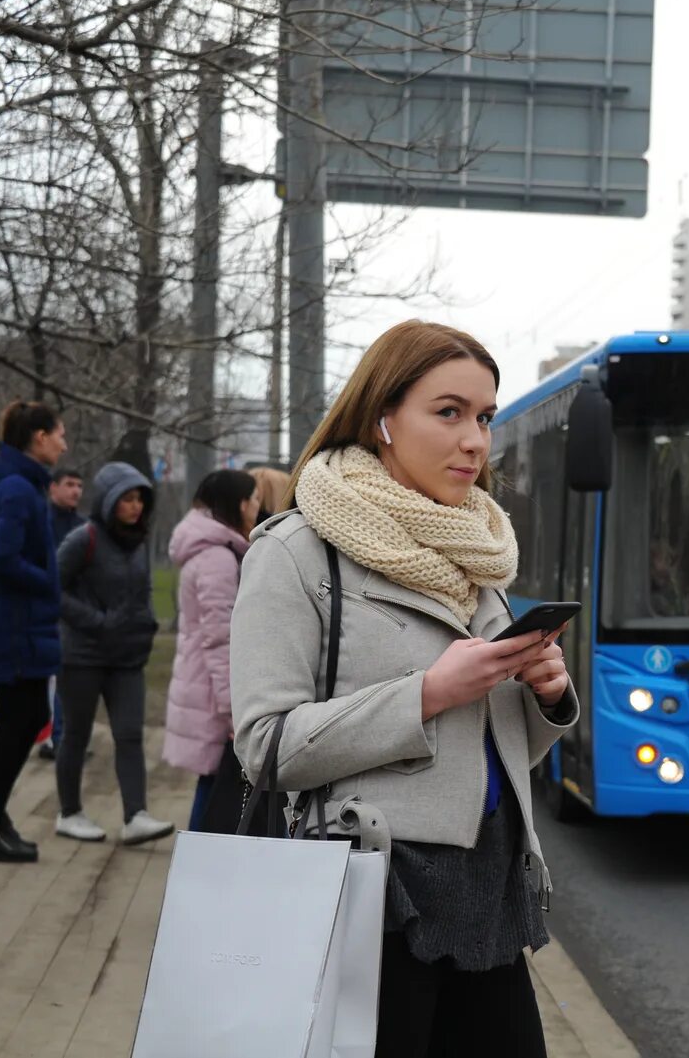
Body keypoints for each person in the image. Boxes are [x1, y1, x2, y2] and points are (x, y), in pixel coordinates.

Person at [231, 319, 577, 1057]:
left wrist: (543, 697)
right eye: (448, 412)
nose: (476, 440)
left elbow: (488, 750)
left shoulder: (480, 552)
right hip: (373, 891)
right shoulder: (295, 551)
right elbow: (264, 746)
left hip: (491, 886)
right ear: (383, 416)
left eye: (484, 417)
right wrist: (426, 692)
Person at [52, 462, 173, 845]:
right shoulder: (83, 538)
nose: (135, 506)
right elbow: (53, 589)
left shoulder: (138, 542)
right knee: (76, 735)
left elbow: (141, 594)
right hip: (82, 656)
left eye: (139, 499)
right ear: (108, 501)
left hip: (127, 659)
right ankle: (69, 813)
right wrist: (96, 620)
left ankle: (135, 815)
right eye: (127, 499)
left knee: (130, 735)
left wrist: (146, 625)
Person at [0, 400, 66, 863]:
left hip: (19, 627)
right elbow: (2, 559)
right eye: (59, 434)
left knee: (24, 720)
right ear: (40, 437)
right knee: (20, 720)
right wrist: (49, 581)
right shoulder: (16, 488)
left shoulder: (22, 485)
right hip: (13, 630)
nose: (64, 443)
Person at [162, 470, 260, 831]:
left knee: (214, 783)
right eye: (252, 499)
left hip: (202, 682)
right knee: (216, 786)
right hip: (213, 691)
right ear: (237, 504)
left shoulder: (212, 552)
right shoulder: (217, 559)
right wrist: (234, 713)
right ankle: (197, 869)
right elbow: (220, 640)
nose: (257, 506)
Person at [39, 467, 87, 760]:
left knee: (69, 680)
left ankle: (64, 737)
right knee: (51, 679)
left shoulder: (83, 526)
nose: (76, 491)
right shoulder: (41, 523)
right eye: (69, 484)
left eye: (80, 485)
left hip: (75, 612)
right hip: (46, 610)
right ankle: (55, 737)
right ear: (53, 488)